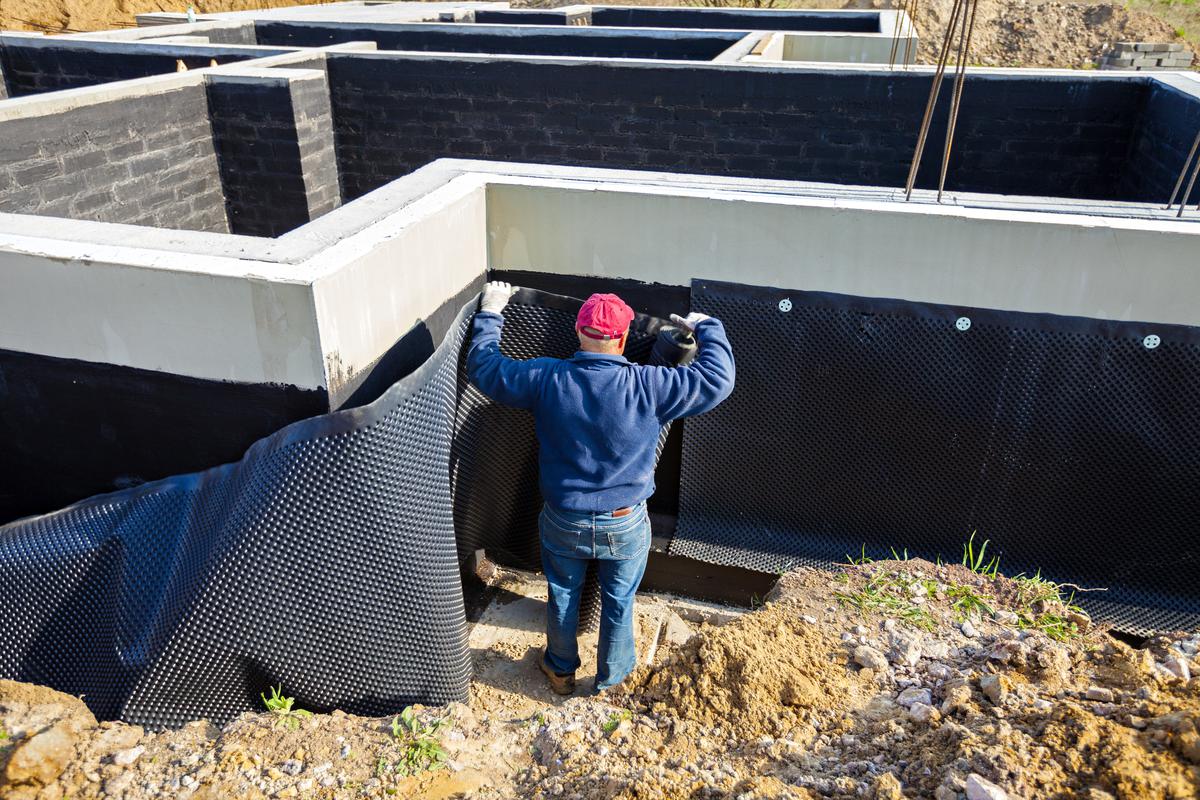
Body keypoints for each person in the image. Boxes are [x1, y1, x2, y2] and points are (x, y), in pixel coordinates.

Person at [467, 281, 735, 694]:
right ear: (625, 338)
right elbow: (717, 379)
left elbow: (485, 368)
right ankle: (611, 680)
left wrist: (492, 310)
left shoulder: (546, 378)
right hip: (625, 522)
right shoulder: (650, 385)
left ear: (578, 331)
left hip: (563, 518)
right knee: (618, 602)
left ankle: (559, 669)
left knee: (562, 596)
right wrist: (707, 328)